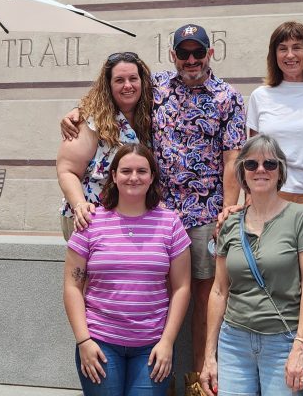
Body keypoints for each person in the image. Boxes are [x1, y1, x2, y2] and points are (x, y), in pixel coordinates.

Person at [62, 24, 246, 396]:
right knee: (152, 291)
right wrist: (76, 113)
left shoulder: (230, 98)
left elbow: (233, 159)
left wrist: (228, 210)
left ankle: (196, 380)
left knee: (198, 296)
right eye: (184, 53)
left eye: (198, 52)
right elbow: (113, 96)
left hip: (202, 213)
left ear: (211, 53)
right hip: (153, 210)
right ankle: (159, 377)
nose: (191, 60)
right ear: (173, 55)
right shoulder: (157, 86)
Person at [64, 143, 192, 396]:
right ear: (113, 176)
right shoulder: (90, 223)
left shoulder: (170, 223)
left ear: (152, 176)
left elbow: (181, 287)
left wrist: (167, 342)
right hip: (100, 344)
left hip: (152, 348)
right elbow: (72, 286)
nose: (134, 177)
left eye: (142, 171)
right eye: (126, 171)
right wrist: (83, 341)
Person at [200, 134, 303, 396]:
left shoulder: (302, 217)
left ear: (281, 171)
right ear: (243, 173)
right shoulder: (230, 223)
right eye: (252, 165)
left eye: (270, 164)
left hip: (282, 342)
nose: (261, 170)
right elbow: (219, 291)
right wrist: (210, 355)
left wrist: (301, 345)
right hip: (234, 341)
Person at [57, 52, 154, 240]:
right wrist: (80, 206)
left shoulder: (151, 117)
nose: (128, 85)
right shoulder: (90, 121)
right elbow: (67, 170)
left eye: (133, 78)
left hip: (132, 220)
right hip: (90, 220)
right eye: (119, 80)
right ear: (108, 85)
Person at [246, 21, 303, 204]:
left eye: (297, 47)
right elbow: (254, 155)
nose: (290, 55)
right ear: (274, 55)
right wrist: (250, 196)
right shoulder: (260, 96)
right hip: (274, 197)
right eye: (282, 49)